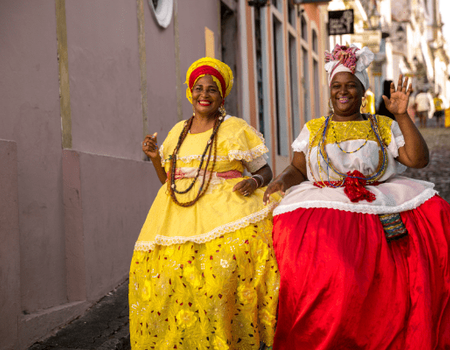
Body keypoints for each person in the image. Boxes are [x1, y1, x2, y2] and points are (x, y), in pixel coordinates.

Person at [264, 44, 450, 349]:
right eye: (337, 86)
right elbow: (297, 169)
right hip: (325, 203)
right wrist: (281, 182)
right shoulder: (314, 129)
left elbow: (418, 160)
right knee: (328, 272)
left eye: (351, 85)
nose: (343, 91)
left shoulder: (383, 125)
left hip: (378, 201)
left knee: (423, 234)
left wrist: (402, 116)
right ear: (329, 91)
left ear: (363, 91)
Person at [129, 57, 280, 350]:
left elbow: (265, 170)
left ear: (221, 96)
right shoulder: (176, 132)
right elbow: (168, 181)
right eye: (198, 88)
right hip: (176, 213)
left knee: (221, 282)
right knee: (169, 282)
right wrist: (155, 158)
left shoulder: (236, 128)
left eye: (212, 90)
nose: (204, 95)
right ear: (190, 92)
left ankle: (227, 339)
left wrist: (255, 182)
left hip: (227, 210)